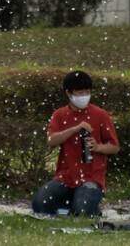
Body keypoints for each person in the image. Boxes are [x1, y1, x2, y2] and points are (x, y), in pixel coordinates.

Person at [31, 70, 119, 217]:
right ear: (68, 93)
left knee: (84, 211)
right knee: (40, 204)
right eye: (80, 92)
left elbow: (114, 147)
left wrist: (97, 147)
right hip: (64, 177)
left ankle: (84, 205)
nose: (84, 96)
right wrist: (74, 129)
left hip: (91, 179)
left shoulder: (100, 115)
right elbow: (51, 141)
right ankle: (71, 203)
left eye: (87, 92)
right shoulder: (59, 115)